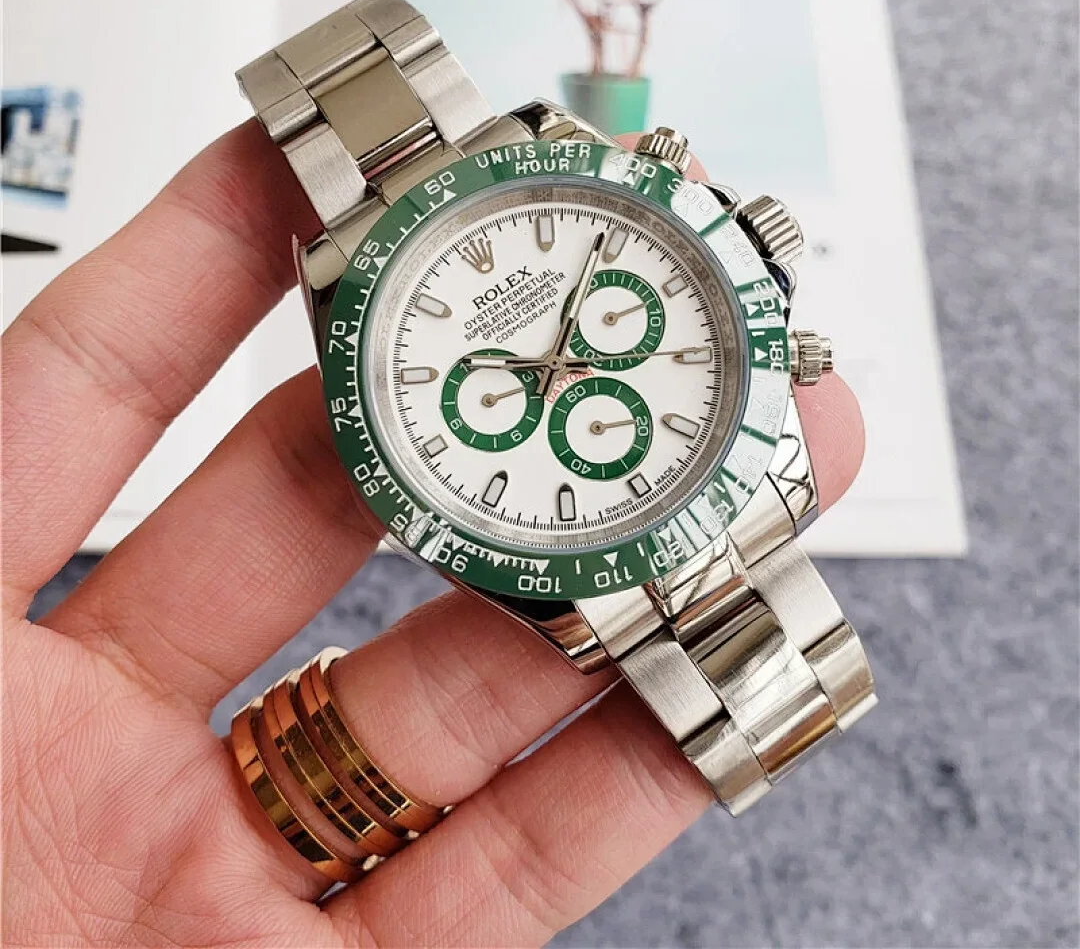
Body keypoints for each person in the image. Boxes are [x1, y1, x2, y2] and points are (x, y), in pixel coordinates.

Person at [1, 122, 864, 946]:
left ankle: (790, 693)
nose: (557, 373)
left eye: (561, 362)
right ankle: (784, 696)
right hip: (578, 544)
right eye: (544, 370)